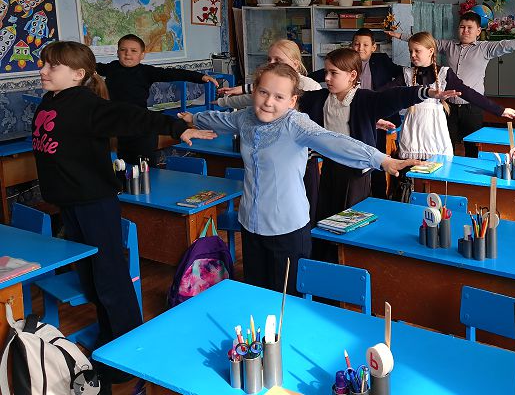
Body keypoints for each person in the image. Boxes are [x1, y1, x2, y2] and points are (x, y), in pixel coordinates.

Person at [33, 41, 215, 393]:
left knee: (110, 276)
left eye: (51, 66)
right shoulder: (51, 100)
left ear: (78, 74)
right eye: (44, 64)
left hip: (93, 203)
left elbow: (133, 116)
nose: (43, 70)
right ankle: (109, 337)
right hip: (70, 203)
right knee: (90, 276)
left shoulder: (87, 105)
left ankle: (126, 351)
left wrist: (176, 128)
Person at [179, 62, 421, 294]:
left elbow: (335, 141)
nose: (268, 102)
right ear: (254, 92)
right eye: (263, 92)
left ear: (292, 101)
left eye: (279, 97)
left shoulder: (295, 124)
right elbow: (222, 120)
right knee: (255, 294)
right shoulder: (246, 117)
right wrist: (193, 119)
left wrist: (382, 160)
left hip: (286, 229)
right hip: (250, 225)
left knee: (286, 300)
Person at [300, 47, 458, 259]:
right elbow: (291, 92)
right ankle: (325, 262)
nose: (326, 78)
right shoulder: (321, 98)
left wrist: (426, 92)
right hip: (330, 169)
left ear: (352, 75)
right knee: (326, 219)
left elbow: (395, 96)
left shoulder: (364, 99)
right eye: (326, 72)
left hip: (356, 173)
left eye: (333, 73)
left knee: (352, 222)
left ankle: (352, 260)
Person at [388, 11, 515, 156]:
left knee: (473, 147)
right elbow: (424, 43)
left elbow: (510, 45)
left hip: (472, 106)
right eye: (462, 27)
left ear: (478, 31)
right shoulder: (449, 46)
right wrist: (400, 36)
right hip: (448, 106)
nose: (465, 31)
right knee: (447, 143)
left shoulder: (485, 48)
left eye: (469, 28)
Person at [384, 31, 515, 160]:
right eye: (410, 51)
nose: (413, 55)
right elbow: (384, 93)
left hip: (435, 129)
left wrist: (499, 110)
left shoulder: (444, 73)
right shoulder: (407, 74)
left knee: (438, 167)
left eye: (417, 51)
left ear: (431, 51)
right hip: (412, 130)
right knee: (409, 168)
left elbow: (469, 93)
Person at [96, 33, 219, 166]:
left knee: (144, 167)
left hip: (142, 126)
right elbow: (89, 65)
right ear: (117, 52)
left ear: (142, 55)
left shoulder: (146, 71)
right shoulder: (112, 67)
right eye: (123, 50)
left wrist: (200, 77)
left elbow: (172, 73)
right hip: (118, 126)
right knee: (122, 166)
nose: (127, 54)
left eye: (133, 51)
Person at [310, 29, 404, 197]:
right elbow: (319, 75)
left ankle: (379, 197)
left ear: (374, 47)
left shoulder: (381, 61)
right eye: (356, 44)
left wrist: (387, 89)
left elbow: (402, 75)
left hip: (376, 118)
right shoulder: (341, 65)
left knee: (377, 159)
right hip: (351, 118)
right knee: (355, 162)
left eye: (365, 45)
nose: (360, 48)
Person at [216, 39, 321, 106]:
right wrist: (221, 102)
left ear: (295, 64)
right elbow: (249, 98)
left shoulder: (311, 86)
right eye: (269, 59)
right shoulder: (268, 82)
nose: (271, 64)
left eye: (278, 60)